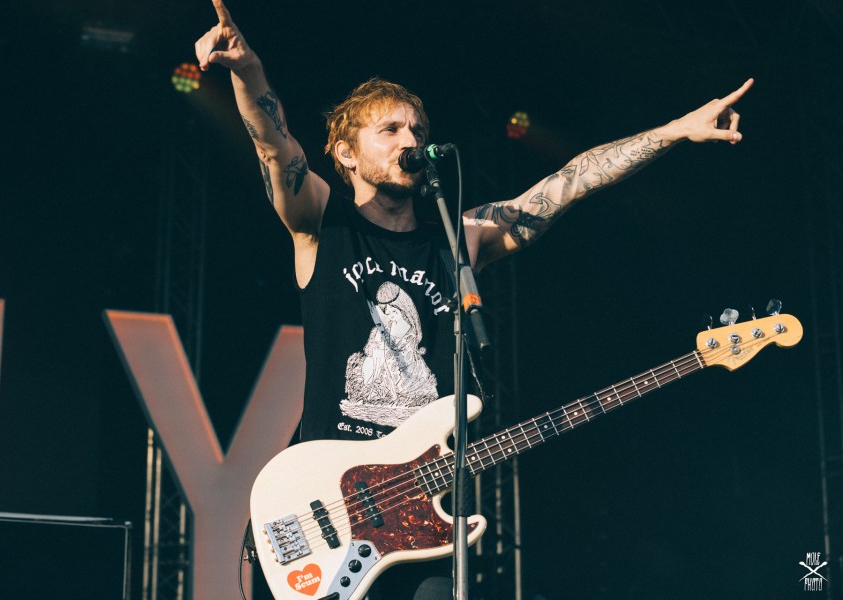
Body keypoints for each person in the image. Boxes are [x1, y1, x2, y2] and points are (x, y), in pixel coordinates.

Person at [195, 1, 753, 597]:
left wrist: (672, 131)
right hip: (325, 497)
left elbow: (568, 184)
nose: (411, 140)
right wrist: (248, 71)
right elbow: (274, 147)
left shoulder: (459, 238)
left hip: (418, 517)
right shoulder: (322, 222)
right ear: (346, 152)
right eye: (391, 130)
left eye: (418, 130)